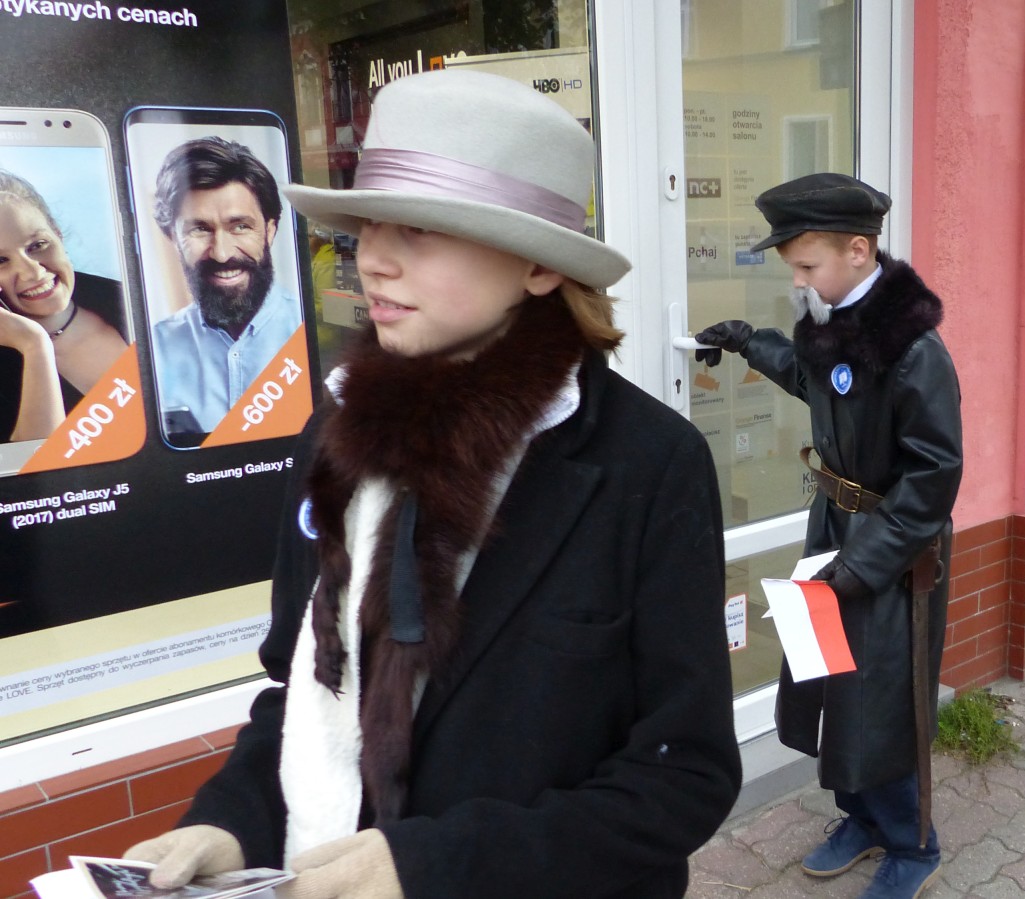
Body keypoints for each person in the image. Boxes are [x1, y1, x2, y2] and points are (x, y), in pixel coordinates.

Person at [125, 69, 741, 898]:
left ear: (538, 265)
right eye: (369, 224)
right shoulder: (337, 435)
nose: (372, 259)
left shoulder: (646, 463)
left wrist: (435, 864)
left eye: (419, 230)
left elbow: (684, 773)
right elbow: (302, 689)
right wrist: (229, 821)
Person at [696, 172, 962, 899]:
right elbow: (818, 382)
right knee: (834, 682)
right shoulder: (836, 318)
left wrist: (864, 565)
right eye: (793, 267)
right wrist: (750, 342)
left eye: (806, 265)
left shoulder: (914, 349)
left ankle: (913, 843)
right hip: (836, 528)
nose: (798, 280)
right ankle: (862, 815)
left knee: (883, 697)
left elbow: (934, 476)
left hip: (895, 553)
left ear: (857, 250)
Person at [148, 136, 302, 434]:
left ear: (270, 230)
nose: (221, 253)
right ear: (173, 239)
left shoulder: (312, 335)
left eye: (240, 226)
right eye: (199, 229)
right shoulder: (153, 350)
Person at [0, 170, 128, 442]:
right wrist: (34, 346)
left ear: (58, 235)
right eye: (1, 261)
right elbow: (35, 465)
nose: (33, 272)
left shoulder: (130, 300)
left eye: (38, 245)